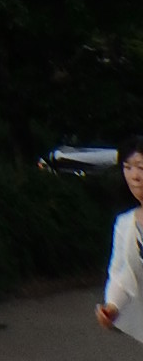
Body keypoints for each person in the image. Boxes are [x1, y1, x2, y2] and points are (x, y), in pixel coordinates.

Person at [98, 135, 143, 337]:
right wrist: (112, 307)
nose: (134, 176)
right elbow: (122, 275)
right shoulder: (125, 224)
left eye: (141, 167)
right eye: (127, 167)